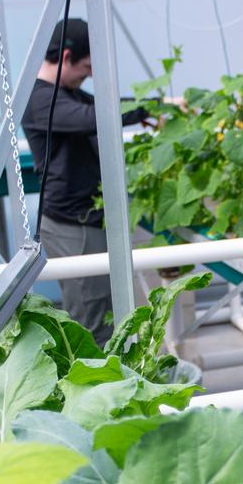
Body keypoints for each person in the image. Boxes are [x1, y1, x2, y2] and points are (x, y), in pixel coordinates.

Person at [21, 18, 150, 345]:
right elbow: (93, 118)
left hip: (90, 221)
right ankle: (93, 388)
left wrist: (156, 108)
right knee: (92, 320)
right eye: (87, 66)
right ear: (65, 57)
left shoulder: (70, 93)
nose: (90, 74)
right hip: (70, 228)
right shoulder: (40, 100)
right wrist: (145, 108)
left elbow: (107, 108)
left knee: (111, 309)